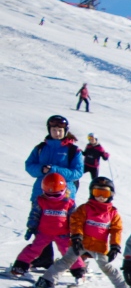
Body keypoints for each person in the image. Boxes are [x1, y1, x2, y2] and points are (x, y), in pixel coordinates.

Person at [34, 176, 128, 288]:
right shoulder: (85, 208)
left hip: (98, 246)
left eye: (104, 193)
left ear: (111, 194)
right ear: (91, 192)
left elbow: (116, 230)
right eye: (97, 192)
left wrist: (115, 246)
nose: (100, 196)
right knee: (66, 261)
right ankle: (46, 280)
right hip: (81, 243)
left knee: (106, 267)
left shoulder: (113, 213)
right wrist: (77, 236)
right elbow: (76, 221)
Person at [20, 115, 86, 273]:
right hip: (41, 193)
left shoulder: (73, 150)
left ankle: (73, 261)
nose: (57, 133)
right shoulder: (41, 148)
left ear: (65, 131)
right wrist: (41, 170)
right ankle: (44, 258)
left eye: (60, 130)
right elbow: (29, 165)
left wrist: (54, 170)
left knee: (64, 229)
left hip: (64, 196)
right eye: (54, 130)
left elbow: (77, 172)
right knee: (41, 227)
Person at [9, 173, 83, 278]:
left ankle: (79, 271)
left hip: (63, 234)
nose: (52, 198)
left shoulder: (68, 203)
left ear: (64, 191)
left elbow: (74, 219)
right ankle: (20, 266)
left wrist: (76, 234)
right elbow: (35, 214)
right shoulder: (41, 201)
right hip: (44, 233)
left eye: (56, 195)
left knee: (69, 252)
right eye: (49, 195)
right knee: (33, 249)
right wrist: (32, 227)